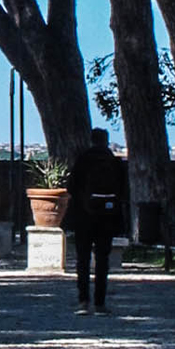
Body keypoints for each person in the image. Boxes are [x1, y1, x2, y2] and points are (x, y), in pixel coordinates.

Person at [66, 128, 127, 315]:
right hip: (107, 218)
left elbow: (71, 187)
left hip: (84, 216)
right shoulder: (114, 162)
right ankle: (100, 303)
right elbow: (124, 190)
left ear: (91, 140)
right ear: (106, 141)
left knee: (83, 259)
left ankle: (83, 301)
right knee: (102, 259)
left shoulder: (82, 160)